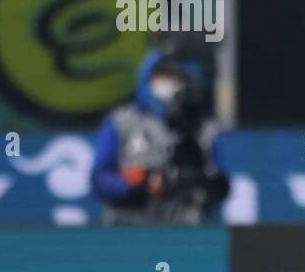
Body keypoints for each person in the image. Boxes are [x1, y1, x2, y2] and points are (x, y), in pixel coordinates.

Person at [91, 50, 229, 225]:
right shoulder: (122, 122)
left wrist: (198, 182)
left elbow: (220, 182)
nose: (169, 82)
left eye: (176, 76)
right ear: (148, 77)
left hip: (185, 227)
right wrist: (136, 186)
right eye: (163, 75)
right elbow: (100, 177)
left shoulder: (202, 128)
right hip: (131, 225)